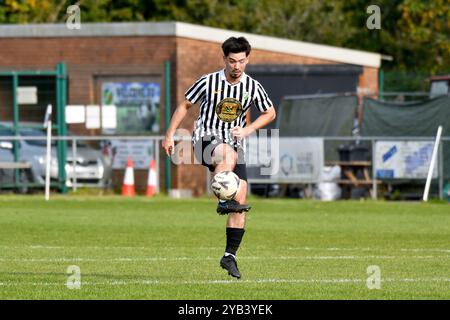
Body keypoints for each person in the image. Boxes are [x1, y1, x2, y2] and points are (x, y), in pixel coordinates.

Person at [162, 37, 276, 279]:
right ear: (224, 59)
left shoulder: (252, 86)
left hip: (236, 142)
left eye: (242, 61)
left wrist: (247, 130)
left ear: (248, 59)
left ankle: (229, 256)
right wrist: (170, 135)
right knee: (227, 154)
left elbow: (270, 112)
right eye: (232, 61)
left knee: (242, 195)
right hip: (205, 139)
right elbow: (184, 105)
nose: (237, 66)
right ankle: (223, 197)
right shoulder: (208, 81)